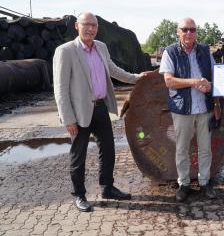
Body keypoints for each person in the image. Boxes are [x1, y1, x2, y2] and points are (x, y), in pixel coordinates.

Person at [53, 12, 151, 212]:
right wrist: (68, 119)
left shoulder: (101, 47)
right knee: (78, 155)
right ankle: (79, 195)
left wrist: (137, 77)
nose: (90, 29)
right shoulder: (66, 51)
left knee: (108, 150)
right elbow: (60, 89)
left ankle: (107, 187)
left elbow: (114, 70)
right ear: (77, 26)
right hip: (79, 112)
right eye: (86, 24)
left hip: (100, 108)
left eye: (94, 25)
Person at [159, 17, 219, 202]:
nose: (188, 33)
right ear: (178, 32)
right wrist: (194, 82)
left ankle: (205, 183)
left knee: (205, 148)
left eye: (192, 29)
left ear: (196, 32)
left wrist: (212, 90)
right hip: (182, 108)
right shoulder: (170, 52)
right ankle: (184, 183)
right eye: (184, 29)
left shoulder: (204, 50)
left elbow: (217, 75)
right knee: (182, 148)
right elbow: (168, 81)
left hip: (204, 107)